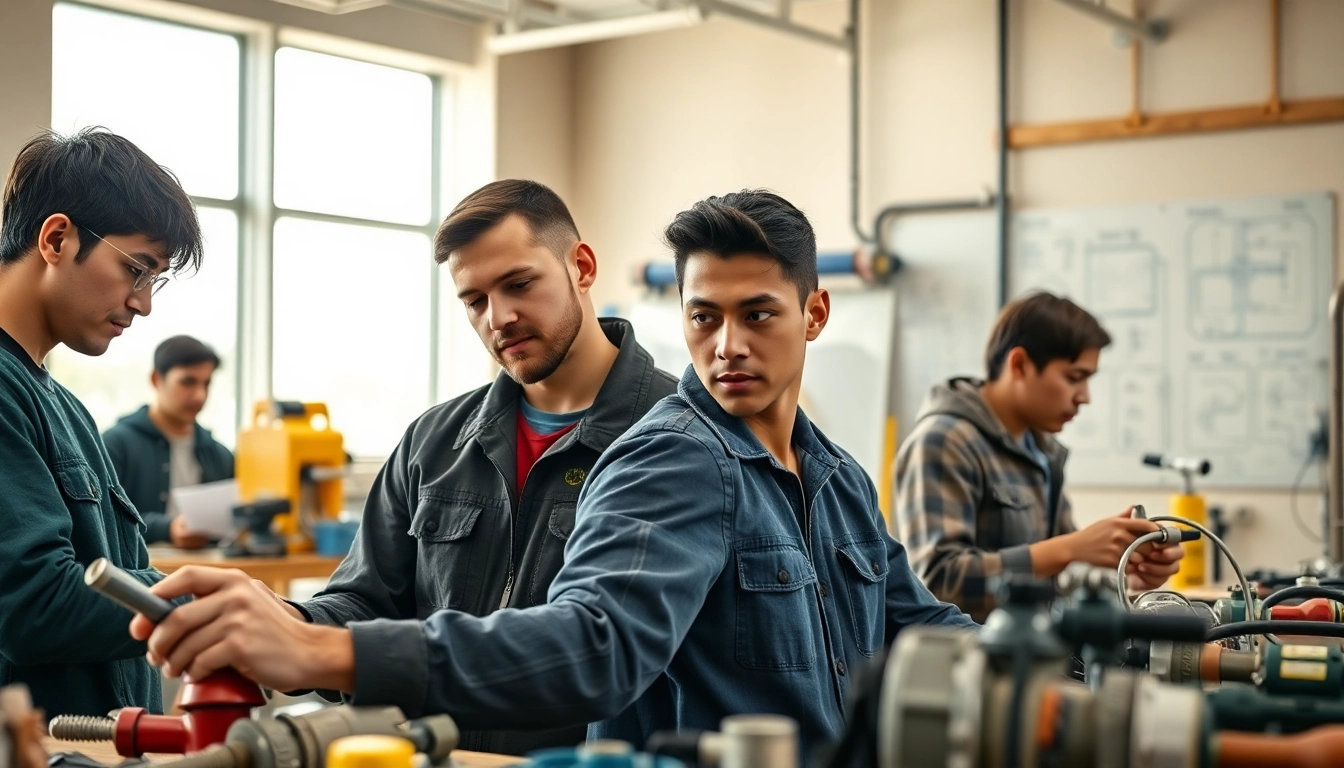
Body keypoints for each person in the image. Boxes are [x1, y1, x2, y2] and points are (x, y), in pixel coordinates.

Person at [130, 189, 974, 757]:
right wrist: (285, 626)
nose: (499, 317)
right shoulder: (446, 443)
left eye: (520, 284)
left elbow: (907, 618)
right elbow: (375, 600)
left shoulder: (791, 467)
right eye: (474, 300)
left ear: (580, 267)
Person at [0, 127, 202, 715]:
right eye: (136, 270)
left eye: (153, 280)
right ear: (58, 238)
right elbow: (35, 605)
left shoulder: (62, 405)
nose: (143, 302)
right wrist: (200, 602)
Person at [894, 291, 1184, 622]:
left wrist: (1129, 575)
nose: (1084, 397)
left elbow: (1061, 580)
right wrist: (1070, 548)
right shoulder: (945, 441)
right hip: (969, 664)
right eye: (1074, 378)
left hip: (1035, 656)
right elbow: (937, 581)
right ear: (1019, 365)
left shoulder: (1042, 451)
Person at [103, 335, 234, 549]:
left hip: (209, 574)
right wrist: (167, 528)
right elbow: (102, 518)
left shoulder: (219, 455)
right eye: (188, 382)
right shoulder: (115, 444)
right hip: (137, 575)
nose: (200, 395)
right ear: (156, 379)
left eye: (206, 383)